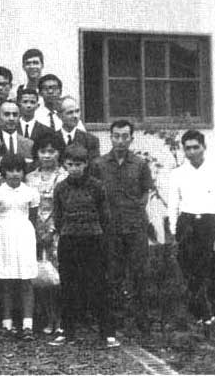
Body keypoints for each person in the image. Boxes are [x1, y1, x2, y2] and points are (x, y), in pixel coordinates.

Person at [49, 145, 119, 348]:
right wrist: (67, 230)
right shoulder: (61, 188)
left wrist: (101, 238)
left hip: (93, 240)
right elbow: (58, 215)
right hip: (69, 241)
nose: (74, 169)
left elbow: (105, 215)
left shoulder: (97, 186)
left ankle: (107, 333)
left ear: (86, 164)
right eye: (70, 165)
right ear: (64, 165)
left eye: (78, 164)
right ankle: (67, 331)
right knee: (69, 286)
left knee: (98, 286)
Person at [90, 120, 154, 334]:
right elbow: (95, 196)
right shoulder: (99, 165)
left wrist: (135, 210)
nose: (120, 140)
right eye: (116, 136)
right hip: (109, 228)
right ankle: (115, 318)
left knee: (139, 273)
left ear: (131, 138)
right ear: (110, 137)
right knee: (112, 274)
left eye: (125, 136)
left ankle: (141, 318)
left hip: (135, 227)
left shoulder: (140, 164)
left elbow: (146, 192)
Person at [168, 130, 215, 340]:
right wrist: (174, 233)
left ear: (204, 147)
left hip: (210, 226)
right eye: (188, 148)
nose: (192, 151)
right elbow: (173, 205)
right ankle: (204, 319)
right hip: (187, 226)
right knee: (193, 276)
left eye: (196, 147)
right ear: (183, 150)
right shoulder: (178, 173)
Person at [0, 153, 39, 339]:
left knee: (26, 280)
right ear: (3, 171)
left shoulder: (30, 192)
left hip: (24, 235)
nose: (15, 174)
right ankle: (7, 324)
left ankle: (27, 325)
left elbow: (32, 218)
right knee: (5, 280)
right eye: (10, 170)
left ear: (24, 172)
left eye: (18, 170)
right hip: (2, 235)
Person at [25, 133, 67, 335]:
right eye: (43, 151)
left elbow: (65, 207)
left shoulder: (65, 176)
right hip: (33, 231)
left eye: (52, 151)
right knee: (39, 277)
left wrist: (52, 230)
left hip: (57, 232)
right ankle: (45, 317)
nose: (47, 156)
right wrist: (34, 230)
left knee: (58, 277)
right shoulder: (29, 177)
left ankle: (60, 319)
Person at [56, 96, 99, 162]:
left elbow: (94, 168)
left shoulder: (91, 140)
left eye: (77, 111)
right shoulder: (52, 139)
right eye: (70, 112)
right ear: (59, 115)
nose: (75, 116)